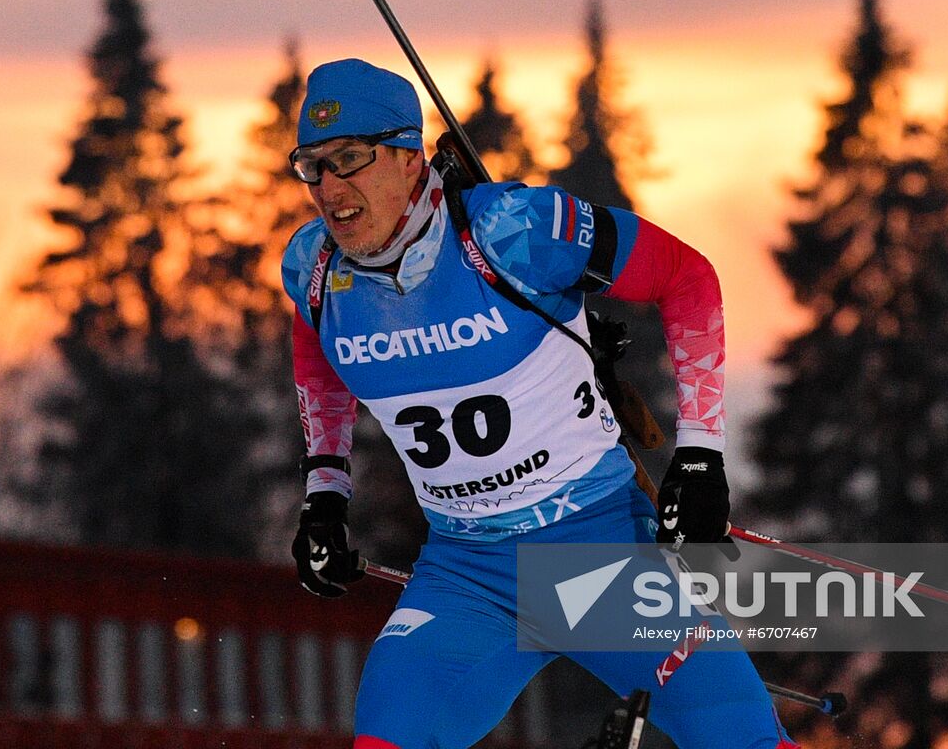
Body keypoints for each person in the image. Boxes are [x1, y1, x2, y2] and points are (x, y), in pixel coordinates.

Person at [282, 58, 796, 749]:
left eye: (350, 160)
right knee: (387, 737)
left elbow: (687, 278)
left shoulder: (514, 232)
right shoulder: (314, 267)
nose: (330, 189)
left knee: (740, 740)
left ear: (408, 157)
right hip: (466, 574)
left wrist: (699, 458)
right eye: (312, 166)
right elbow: (317, 351)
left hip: (601, 549)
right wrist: (325, 493)